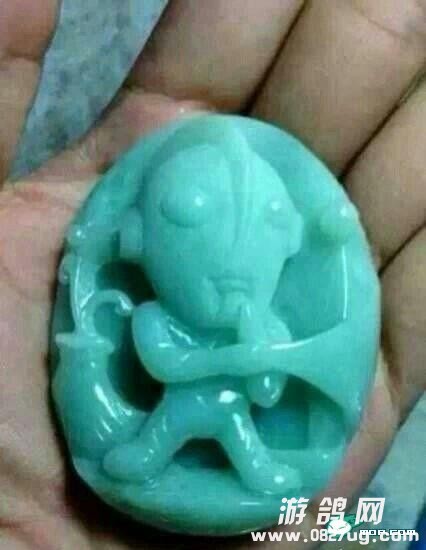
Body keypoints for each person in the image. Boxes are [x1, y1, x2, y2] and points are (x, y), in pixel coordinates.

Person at [0, 1, 424, 548]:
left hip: (234, 418)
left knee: (242, 436)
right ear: (140, 247)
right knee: (158, 437)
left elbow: (268, 393)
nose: (231, 281)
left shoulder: (266, 327)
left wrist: (260, 353)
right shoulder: (153, 318)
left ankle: (251, 468)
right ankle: (147, 456)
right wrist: (229, 359)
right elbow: (164, 365)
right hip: (172, 412)